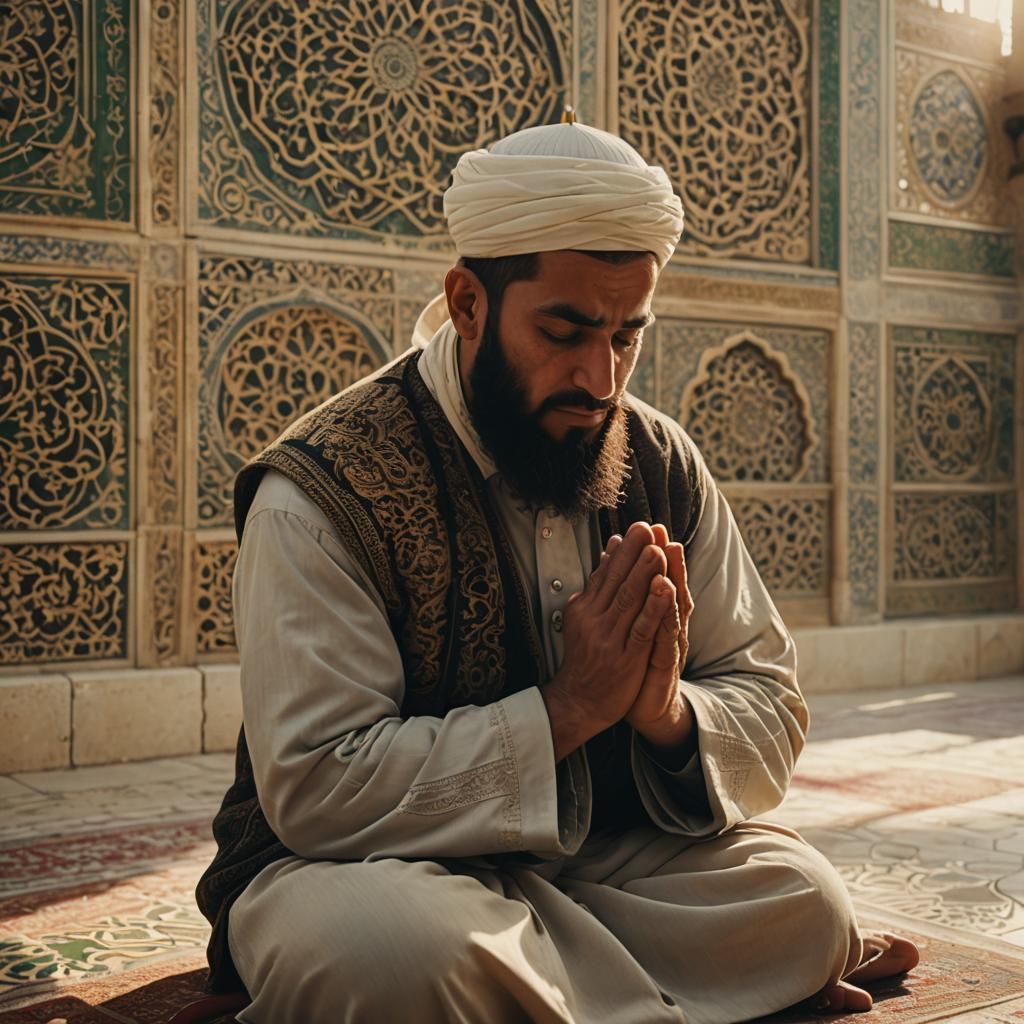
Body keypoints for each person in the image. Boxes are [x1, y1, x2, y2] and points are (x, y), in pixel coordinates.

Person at [196, 117, 918, 1022]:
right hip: (357, 869)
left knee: (805, 903)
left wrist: (663, 709)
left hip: (595, 859)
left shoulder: (657, 461)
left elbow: (768, 698)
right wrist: (569, 711)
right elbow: (317, 785)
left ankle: (535, 983)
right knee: (391, 957)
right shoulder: (326, 488)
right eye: (566, 331)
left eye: (626, 336)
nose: (601, 376)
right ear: (468, 304)